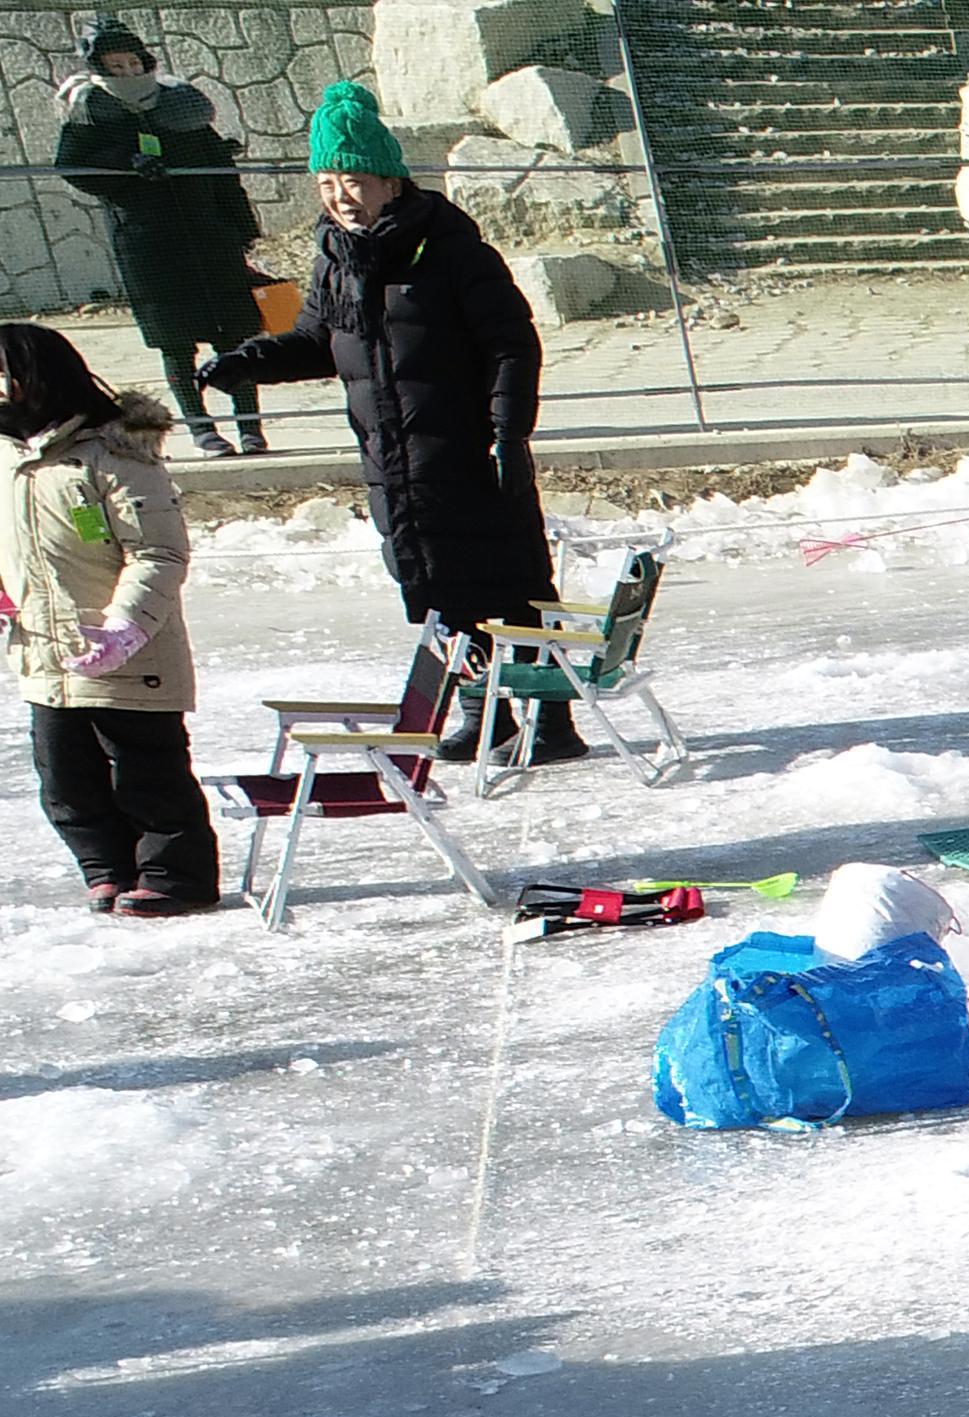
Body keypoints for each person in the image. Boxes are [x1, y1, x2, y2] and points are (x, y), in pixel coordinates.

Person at [208, 83, 565, 755]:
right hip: (396, 465)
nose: (342, 195)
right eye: (327, 181)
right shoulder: (336, 261)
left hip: (466, 454)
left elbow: (512, 345)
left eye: (355, 179)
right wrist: (249, 362)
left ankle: (551, 722)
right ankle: (486, 716)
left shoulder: (452, 251)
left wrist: (507, 436)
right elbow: (319, 340)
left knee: (511, 586)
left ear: (391, 183)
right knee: (440, 597)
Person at [4, 321, 215, 915]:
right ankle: (106, 867)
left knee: (147, 774)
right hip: (44, 649)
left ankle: (178, 878)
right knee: (64, 780)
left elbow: (158, 551)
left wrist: (127, 626)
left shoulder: (114, 455)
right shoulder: (8, 459)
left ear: (34, 380)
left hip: (129, 645)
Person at [49, 21, 263, 460]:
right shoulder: (89, 115)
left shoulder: (182, 109)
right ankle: (201, 427)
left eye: (132, 62)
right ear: (98, 70)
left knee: (236, 336)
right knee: (176, 341)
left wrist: (242, 228)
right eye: (115, 65)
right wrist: (125, 165)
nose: (127, 73)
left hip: (211, 238)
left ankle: (250, 426)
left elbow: (222, 174)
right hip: (149, 245)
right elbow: (73, 167)